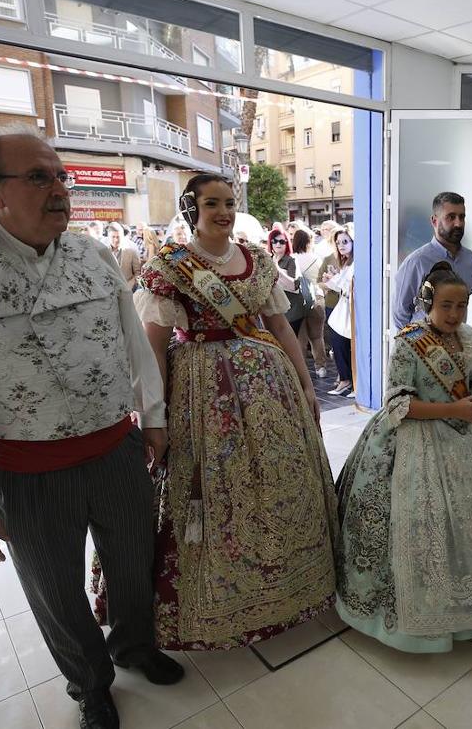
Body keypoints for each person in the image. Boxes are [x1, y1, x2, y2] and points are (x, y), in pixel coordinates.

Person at [0, 126, 180, 729]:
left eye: (61, 175)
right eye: (39, 177)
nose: (59, 188)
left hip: (117, 450)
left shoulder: (95, 254)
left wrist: (153, 418)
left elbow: (133, 343)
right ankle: (90, 683)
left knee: (133, 562)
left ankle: (135, 646)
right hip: (28, 470)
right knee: (56, 592)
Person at [128, 172, 338, 651]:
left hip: (270, 388)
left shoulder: (256, 260)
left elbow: (281, 328)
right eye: (211, 204)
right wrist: (153, 418)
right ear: (192, 210)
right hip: (201, 395)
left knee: (278, 479)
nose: (223, 212)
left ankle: (287, 586)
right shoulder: (170, 267)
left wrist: (306, 384)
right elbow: (154, 349)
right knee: (214, 488)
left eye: (228, 203)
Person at [335, 261, 472, 652]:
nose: (454, 315)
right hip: (416, 436)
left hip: (466, 434)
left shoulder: (469, 337)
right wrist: (455, 410)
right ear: (427, 303)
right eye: (446, 306)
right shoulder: (407, 342)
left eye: (461, 306)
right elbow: (398, 402)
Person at [391, 192, 472, 330]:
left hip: (457, 343)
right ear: (434, 221)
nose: (458, 223)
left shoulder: (470, 260)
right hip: (423, 347)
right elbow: (400, 315)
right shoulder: (417, 262)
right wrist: (418, 345)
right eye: (451, 217)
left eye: (462, 217)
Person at [320, 227, 355, 397]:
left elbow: (348, 286)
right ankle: (346, 379)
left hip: (350, 311)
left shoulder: (355, 262)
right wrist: (332, 279)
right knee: (339, 344)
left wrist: (333, 279)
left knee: (344, 345)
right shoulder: (347, 262)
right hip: (343, 310)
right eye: (339, 242)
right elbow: (341, 285)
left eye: (345, 241)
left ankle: (349, 381)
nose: (341, 245)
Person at [293, 227, 330, 379]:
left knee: (300, 339)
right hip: (317, 299)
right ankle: (320, 367)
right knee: (317, 337)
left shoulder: (291, 259)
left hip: (297, 303)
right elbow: (323, 281)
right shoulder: (316, 258)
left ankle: (301, 371)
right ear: (309, 242)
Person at [268, 226, 307, 337]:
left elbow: (293, 285)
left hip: (292, 310)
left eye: (281, 241)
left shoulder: (291, 260)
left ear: (286, 243)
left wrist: (277, 269)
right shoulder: (268, 259)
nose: (278, 244)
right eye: (274, 241)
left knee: (289, 343)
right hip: (275, 310)